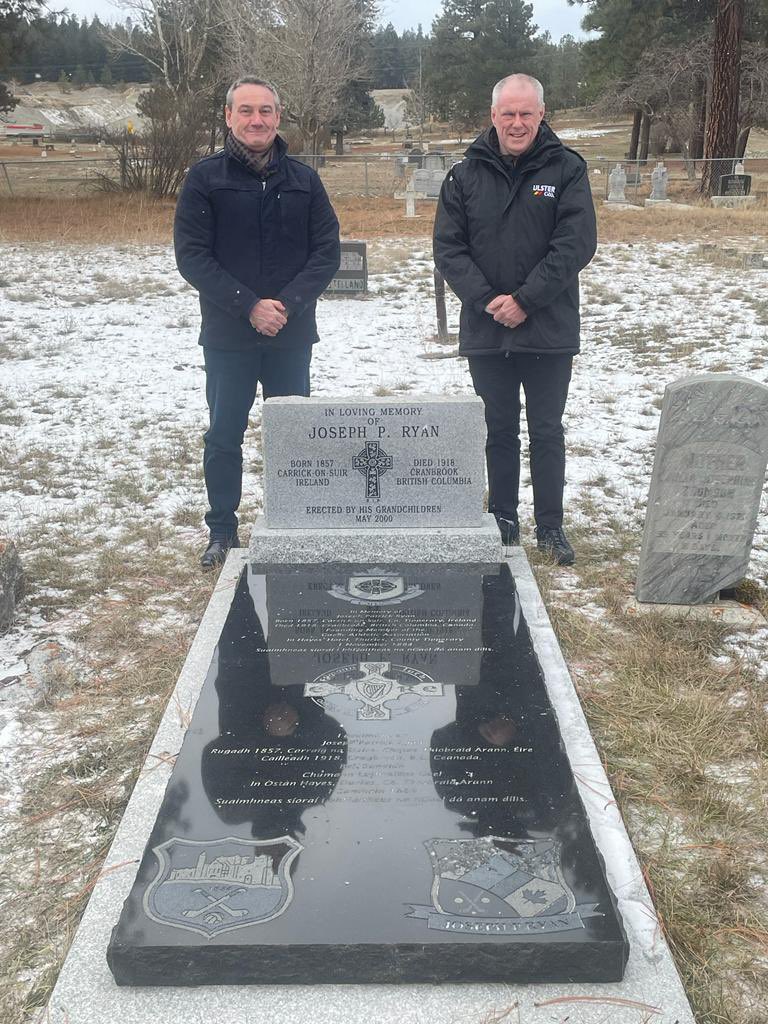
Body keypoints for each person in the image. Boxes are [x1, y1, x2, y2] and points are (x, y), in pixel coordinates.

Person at [174, 76, 341, 569]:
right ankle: (222, 530)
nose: (256, 120)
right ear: (228, 117)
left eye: (265, 111)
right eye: (246, 111)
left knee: (294, 433)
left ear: (278, 116)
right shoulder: (205, 178)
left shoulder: (304, 180)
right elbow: (193, 258)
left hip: (291, 335)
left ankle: (296, 520)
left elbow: (326, 253)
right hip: (229, 334)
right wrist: (248, 305)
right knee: (225, 433)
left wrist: (285, 305)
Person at [433, 74, 596, 565]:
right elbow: (449, 248)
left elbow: (574, 245)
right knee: (498, 429)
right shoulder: (464, 175)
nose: (518, 123)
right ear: (494, 116)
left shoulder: (566, 169)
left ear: (541, 115)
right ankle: (503, 518)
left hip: (547, 326)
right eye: (509, 114)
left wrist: (525, 300)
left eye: (527, 113)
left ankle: (551, 526)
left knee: (547, 429)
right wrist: (487, 300)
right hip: (488, 329)